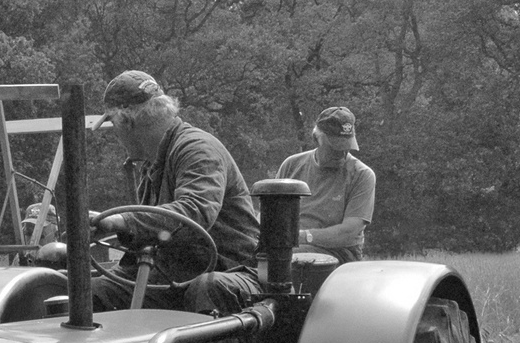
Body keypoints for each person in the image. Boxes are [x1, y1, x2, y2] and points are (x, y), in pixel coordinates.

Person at [89, 71, 262, 314]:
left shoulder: (197, 148)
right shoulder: (153, 164)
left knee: (207, 288)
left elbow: (194, 212)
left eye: (113, 124)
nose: (116, 135)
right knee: (95, 292)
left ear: (126, 122)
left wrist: (121, 220)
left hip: (232, 273)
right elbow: (155, 232)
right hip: (178, 274)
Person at [276, 107, 376, 264]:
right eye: (335, 147)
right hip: (289, 247)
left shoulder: (361, 175)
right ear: (316, 139)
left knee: (281, 259)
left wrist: (302, 236)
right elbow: (271, 213)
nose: (342, 153)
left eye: (347, 146)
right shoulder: (291, 165)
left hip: (339, 255)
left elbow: (348, 232)